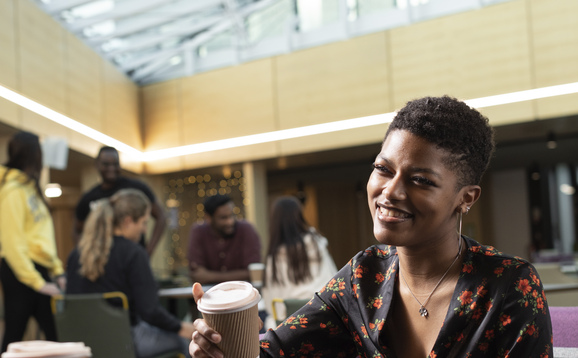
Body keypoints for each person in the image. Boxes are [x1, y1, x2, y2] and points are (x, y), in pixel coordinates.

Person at [189, 96, 553, 357]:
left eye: (421, 180)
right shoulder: (364, 277)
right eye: (383, 169)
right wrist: (219, 348)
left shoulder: (509, 287)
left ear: (466, 198)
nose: (389, 192)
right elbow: (274, 351)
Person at [66, 188, 194, 358]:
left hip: (81, 342)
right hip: (124, 342)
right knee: (186, 341)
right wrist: (182, 328)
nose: (143, 230)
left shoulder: (76, 255)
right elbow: (150, 311)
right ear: (127, 221)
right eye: (143, 223)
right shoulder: (134, 253)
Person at [0, 131, 66, 352]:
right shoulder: (12, 191)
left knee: (57, 335)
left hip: (39, 270)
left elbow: (43, 236)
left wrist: (57, 271)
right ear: (33, 154)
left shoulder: (31, 189)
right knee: (14, 339)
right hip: (20, 272)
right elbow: (12, 244)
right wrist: (38, 283)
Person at [74, 146, 166, 256]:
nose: (111, 168)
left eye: (115, 164)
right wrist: (86, 253)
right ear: (97, 165)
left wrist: (148, 250)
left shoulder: (136, 187)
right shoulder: (89, 197)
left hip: (132, 256)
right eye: (106, 164)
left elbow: (161, 216)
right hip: (103, 259)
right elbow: (77, 229)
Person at [261, 196, 337, 329]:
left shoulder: (272, 258)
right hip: (322, 319)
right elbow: (334, 282)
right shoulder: (317, 244)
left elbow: (270, 305)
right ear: (299, 216)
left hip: (288, 327)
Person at [187, 194, 261, 284]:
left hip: (242, 293)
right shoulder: (198, 231)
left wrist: (209, 276)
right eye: (223, 218)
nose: (230, 221)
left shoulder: (246, 229)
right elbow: (197, 275)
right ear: (208, 218)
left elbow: (253, 272)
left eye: (232, 215)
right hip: (210, 295)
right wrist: (238, 275)